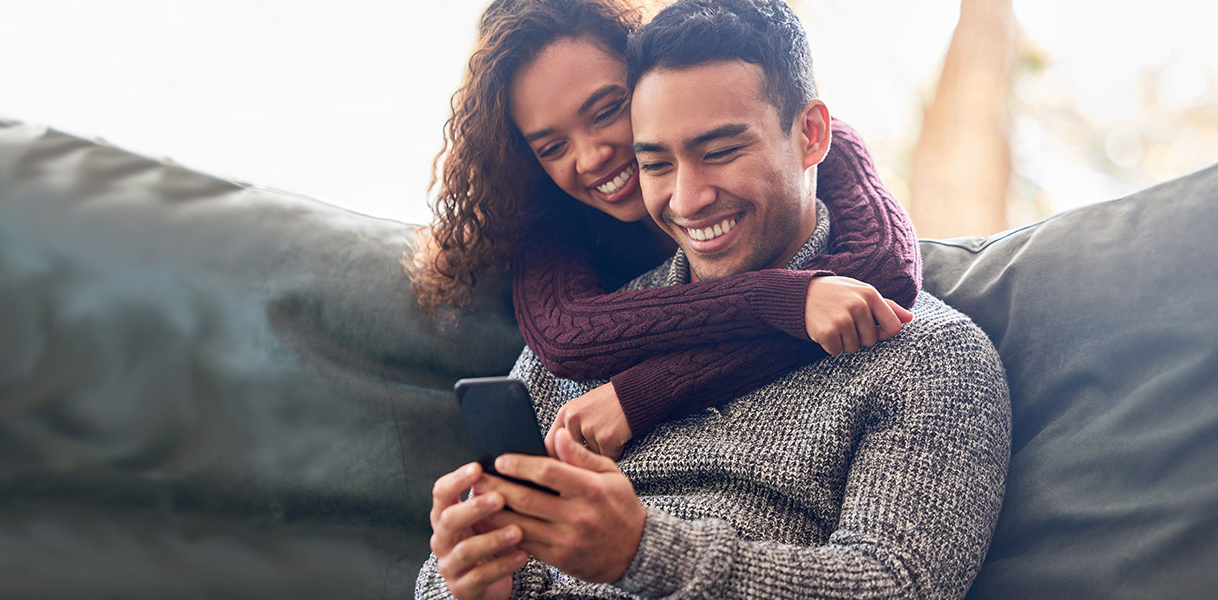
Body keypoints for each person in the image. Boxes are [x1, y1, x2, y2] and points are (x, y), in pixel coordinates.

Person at [417, 0, 1011, 598]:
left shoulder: (932, 358)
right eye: (655, 162)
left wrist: (641, 551)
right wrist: (472, 581)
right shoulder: (586, 345)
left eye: (720, 151)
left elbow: (897, 585)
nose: (688, 198)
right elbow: (449, 572)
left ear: (811, 135)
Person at [406, 0, 921, 462]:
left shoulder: (812, 146)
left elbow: (882, 277)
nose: (591, 157)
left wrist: (644, 393)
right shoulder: (551, 225)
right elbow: (569, 338)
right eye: (552, 147)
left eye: (607, 111)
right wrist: (784, 299)